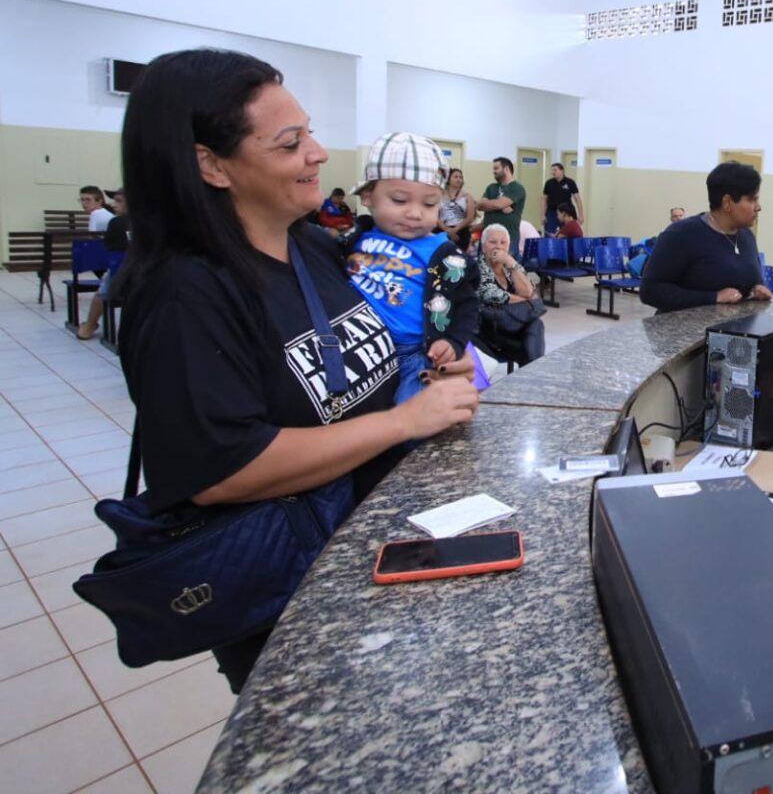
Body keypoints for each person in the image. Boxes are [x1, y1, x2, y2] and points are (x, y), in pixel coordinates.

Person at [114, 48, 479, 692]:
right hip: (289, 583)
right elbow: (223, 469)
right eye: (290, 143)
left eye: (309, 130)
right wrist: (401, 422)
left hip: (366, 545)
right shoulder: (185, 296)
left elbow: (350, 368)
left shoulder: (312, 246)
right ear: (211, 165)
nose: (317, 152)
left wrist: (437, 368)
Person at [344, 132, 481, 405]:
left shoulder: (445, 256)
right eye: (399, 200)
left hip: (414, 354)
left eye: (429, 203)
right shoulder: (355, 239)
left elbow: (467, 306)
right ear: (368, 195)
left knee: (417, 415)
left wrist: (453, 343)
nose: (415, 213)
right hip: (355, 349)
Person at [640, 161, 773, 311]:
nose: (758, 207)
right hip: (684, 332)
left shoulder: (747, 236)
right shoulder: (680, 235)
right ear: (727, 203)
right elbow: (650, 291)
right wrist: (713, 297)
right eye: (752, 199)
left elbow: (749, 281)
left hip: (733, 331)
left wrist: (758, 289)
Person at [477, 223, 546, 366]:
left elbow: (528, 290)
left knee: (535, 325)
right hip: (491, 330)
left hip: (515, 325)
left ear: (508, 247)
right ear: (483, 246)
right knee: (531, 338)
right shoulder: (476, 268)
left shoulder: (511, 266)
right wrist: (529, 302)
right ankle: (534, 372)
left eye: (503, 243)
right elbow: (491, 294)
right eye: (493, 242)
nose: (498, 246)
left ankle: (531, 371)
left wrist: (510, 262)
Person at [77, 190, 129, 340]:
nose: (114, 204)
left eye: (119, 201)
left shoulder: (116, 222)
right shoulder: (151, 221)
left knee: (104, 289)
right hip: (147, 273)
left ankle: (89, 325)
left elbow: (106, 249)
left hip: (124, 274)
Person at [481, 156, 527, 239]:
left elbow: (497, 205)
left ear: (506, 169)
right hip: (488, 238)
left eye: (496, 168)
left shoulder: (517, 188)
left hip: (508, 238)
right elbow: (480, 205)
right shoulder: (491, 187)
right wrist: (500, 205)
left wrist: (491, 204)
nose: (493, 172)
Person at [438, 168, 476, 250]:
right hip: (442, 230)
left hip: (461, 232)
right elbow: (436, 216)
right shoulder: (440, 195)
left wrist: (455, 229)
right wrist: (447, 230)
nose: (459, 179)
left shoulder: (467, 196)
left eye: (460, 177)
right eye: (456, 177)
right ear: (448, 179)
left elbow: (470, 217)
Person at [541, 163, 583, 235]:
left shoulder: (570, 182)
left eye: (555, 170)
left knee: (568, 235)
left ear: (562, 171)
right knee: (550, 235)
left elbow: (577, 199)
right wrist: (542, 215)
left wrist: (581, 215)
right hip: (552, 213)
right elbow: (544, 200)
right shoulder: (549, 183)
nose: (553, 172)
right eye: (552, 170)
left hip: (566, 214)